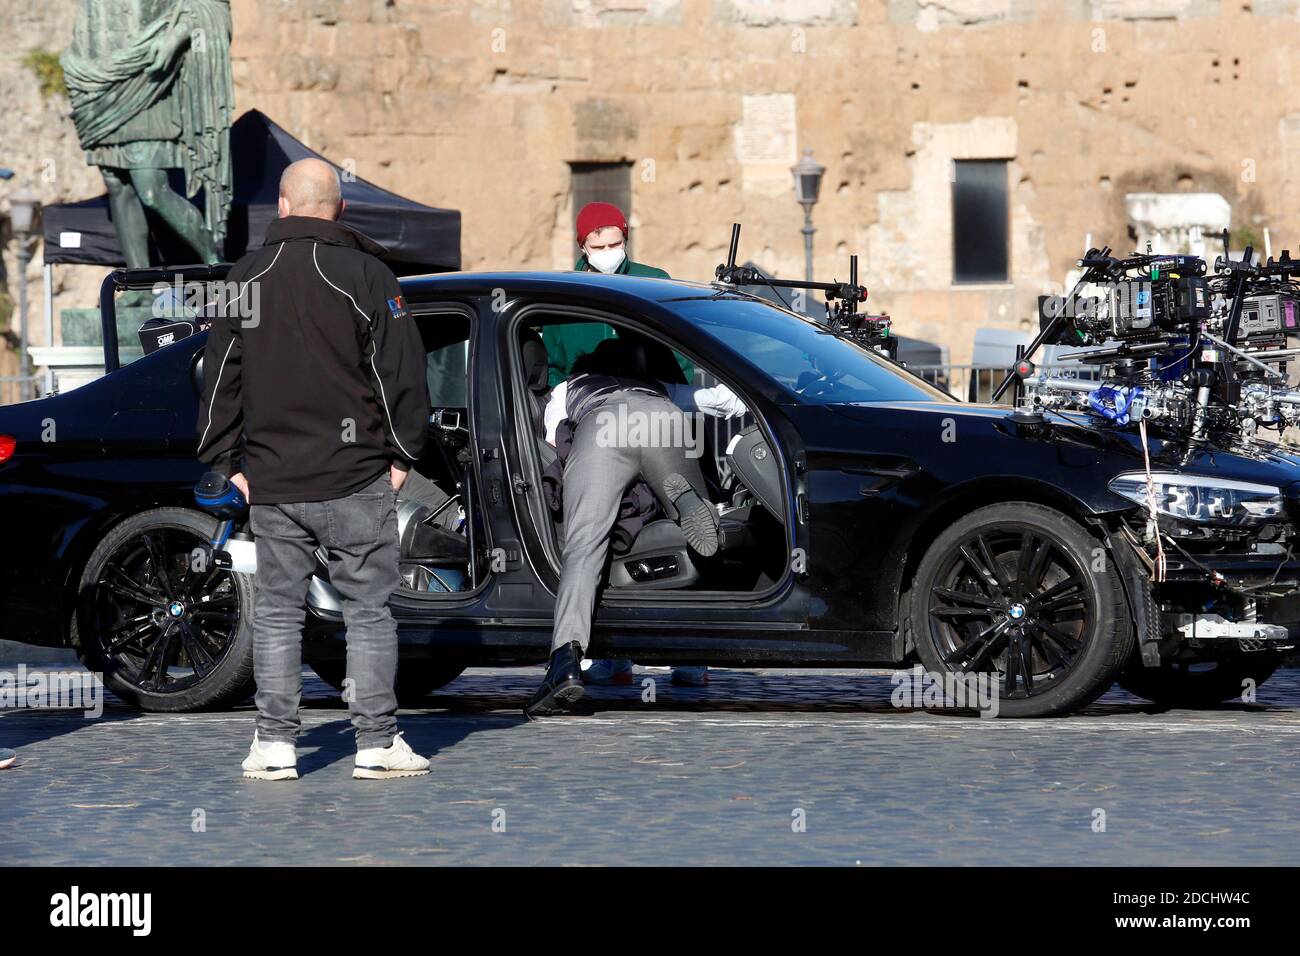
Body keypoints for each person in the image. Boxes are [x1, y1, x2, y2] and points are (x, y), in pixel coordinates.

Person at [197, 158, 432, 781]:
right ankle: (376, 744)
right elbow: (402, 374)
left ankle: (274, 745)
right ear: (340, 210)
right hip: (357, 476)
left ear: (280, 204)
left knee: (277, 613)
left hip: (273, 480)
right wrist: (404, 455)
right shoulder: (366, 273)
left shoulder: (243, 279)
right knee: (369, 612)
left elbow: (219, 380)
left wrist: (225, 465)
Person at [524, 339, 745, 718]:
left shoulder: (570, 387)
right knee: (687, 514)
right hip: (664, 419)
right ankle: (691, 504)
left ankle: (565, 660)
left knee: (585, 545)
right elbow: (726, 402)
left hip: (602, 425)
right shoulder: (658, 387)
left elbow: (551, 443)